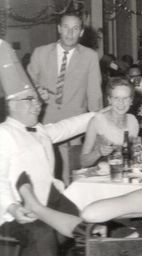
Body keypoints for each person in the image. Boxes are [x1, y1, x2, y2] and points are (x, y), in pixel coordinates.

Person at [15, 109, 142, 256]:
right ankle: (37, 206)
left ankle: (36, 207)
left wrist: (125, 209)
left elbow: (90, 213)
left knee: (86, 229)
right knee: (102, 229)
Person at [0, 38, 100, 256]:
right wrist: (12, 206)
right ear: (12, 105)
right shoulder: (4, 134)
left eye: (36, 99)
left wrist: (97, 115)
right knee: (43, 233)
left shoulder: (40, 130)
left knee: (80, 213)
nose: (38, 104)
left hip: (49, 201)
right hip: (15, 212)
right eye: (30, 100)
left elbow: (66, 127)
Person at [27, 10, 103, 184]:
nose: (70, 33)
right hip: (44, 122)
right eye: (66, 28)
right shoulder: (40, 53)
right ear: (59, 29)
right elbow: (28, 86)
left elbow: (94, 95)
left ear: (81, 32)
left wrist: (97, 126)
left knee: (72, 174)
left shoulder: (90, 57)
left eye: (75, 28)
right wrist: (37, 92)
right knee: (43, 173)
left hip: (74, 126)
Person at [80, 77, 139, 168]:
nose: (121, 103)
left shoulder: (133, 121)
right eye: (116, 98)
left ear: (131, 100)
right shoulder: (97, 121)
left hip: (125, 174)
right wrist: (98, 152)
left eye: (125, 98)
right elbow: (83, 162)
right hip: (100, 177)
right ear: (109, 100)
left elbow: (132, 156)